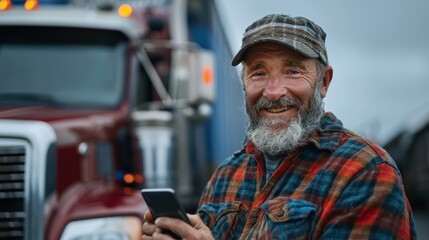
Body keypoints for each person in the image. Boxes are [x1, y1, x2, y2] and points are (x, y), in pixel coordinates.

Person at [142, 14, 417, 239]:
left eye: (293, 71)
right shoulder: (226, 174)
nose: (273, 92)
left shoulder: (365, 172)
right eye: (258, 73)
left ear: (324, 82)